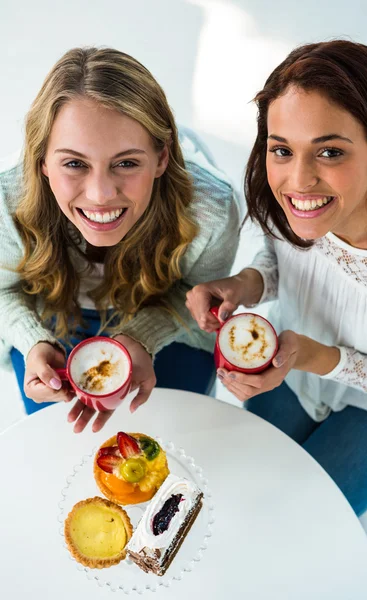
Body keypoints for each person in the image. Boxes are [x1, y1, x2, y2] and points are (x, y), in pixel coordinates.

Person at [186, 40, 367, 516]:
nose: (298, 181)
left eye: (329, 152)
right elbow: (283, 258)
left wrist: (319, 357)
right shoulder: (296, 208)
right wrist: (244, 284)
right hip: (292, 369)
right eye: (282, 149)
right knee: (249, 491)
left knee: (305, 516)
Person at [0, 47, 239, 433]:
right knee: (57, 445)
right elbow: (2, 291)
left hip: (165, 315)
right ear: (42, 159)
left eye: (126, 163)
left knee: (180, 440)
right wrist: (33, 341)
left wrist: (141, 337)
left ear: (162, 158)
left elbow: (198, 295)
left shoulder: (210, 207)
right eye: (74, 164)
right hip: (50, 312)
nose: (100, 195)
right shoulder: (6, 198)